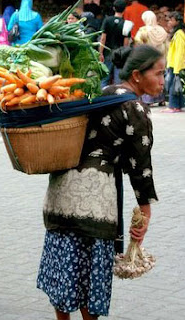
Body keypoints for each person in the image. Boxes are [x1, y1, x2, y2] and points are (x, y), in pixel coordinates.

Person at [37, 44, 163, 320]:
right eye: (159, 74)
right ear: (138, 75)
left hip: (60, 193)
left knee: (66, 270)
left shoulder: (103, 93)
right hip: (94, 202)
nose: (163, 81)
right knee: (90, 277)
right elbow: (140, 168)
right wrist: (145, 211)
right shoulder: (135, 108)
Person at [134, 10, 168, 106]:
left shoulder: (143, 31)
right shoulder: (162, 30)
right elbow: (167, 46)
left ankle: (149, 100)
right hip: (161, 58)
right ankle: (161, 99)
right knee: (160, 78)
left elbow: (138, 46)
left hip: (147, 59)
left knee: (148, 78)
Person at [99, 0, 132, 87]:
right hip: (119, 53)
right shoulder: (126, 24)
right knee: (118, 80)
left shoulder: (107, 20)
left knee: (104, 78)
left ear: (114, 8)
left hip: (107, 52)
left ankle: (102, 97)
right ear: (124, 10)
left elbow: (103, 38)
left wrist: (100, 52)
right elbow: (126, 43)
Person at [161, 11, 185, 113]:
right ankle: (178, 106)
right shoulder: (177, 33)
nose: (169, 22)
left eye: (171, 20)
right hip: (174, 64)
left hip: (176, 65)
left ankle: (173, 106)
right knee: (177, 86)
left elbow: (180, 51)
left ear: (177, 21)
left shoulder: (179, 34)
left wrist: (177, 68)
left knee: (173, 86)